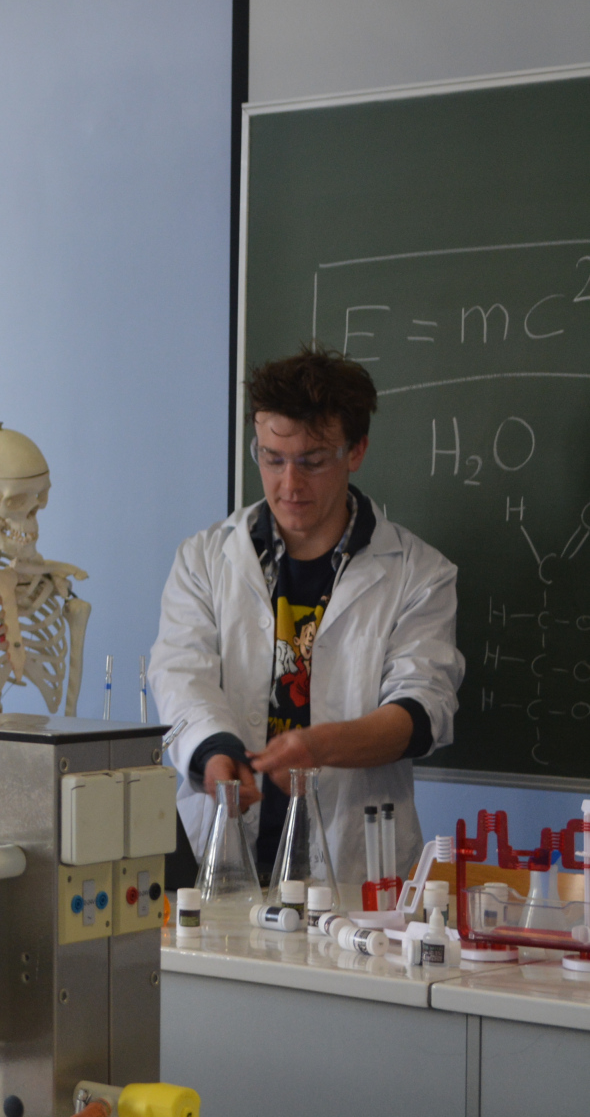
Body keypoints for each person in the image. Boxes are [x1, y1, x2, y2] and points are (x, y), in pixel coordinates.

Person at [149, 347, 465, 885]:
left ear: (356, 450)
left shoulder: (419, 573)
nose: (289, 485)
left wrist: (321, 745)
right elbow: (181, 676)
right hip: (217, 857)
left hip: (354, 870)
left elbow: (422, 710)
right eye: (272, 458)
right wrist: (214, 753)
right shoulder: (204, 560)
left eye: (313, 462)